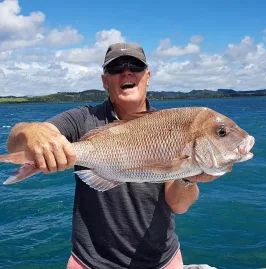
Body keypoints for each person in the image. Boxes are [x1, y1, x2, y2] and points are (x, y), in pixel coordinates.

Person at [6, 43, 218, 269]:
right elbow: (14, 142)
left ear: (147, 76)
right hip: (90, 262)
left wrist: (187, 177)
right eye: (116, 68)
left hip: (161, 261)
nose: (126, 72)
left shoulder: (169, 126)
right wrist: (32, 131)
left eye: (135, 66)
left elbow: (178, 206)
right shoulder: (84, 119)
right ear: (105, 81)